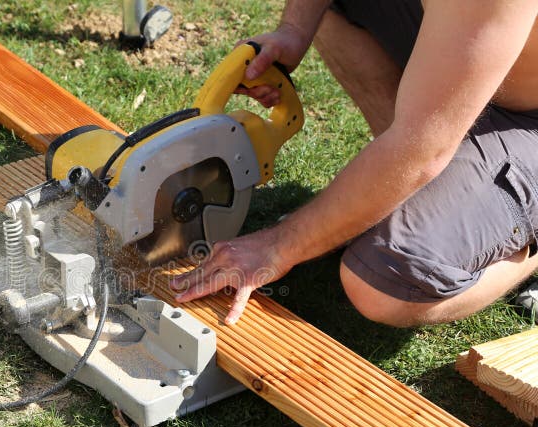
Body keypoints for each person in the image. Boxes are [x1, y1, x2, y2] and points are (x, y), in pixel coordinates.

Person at [171, 0, 538, 327]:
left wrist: (278, 245)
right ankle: (418, 183)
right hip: (478, 52)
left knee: (383, 280)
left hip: (528, 117)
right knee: (332, 10)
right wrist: (294, 31)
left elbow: (423, 150)